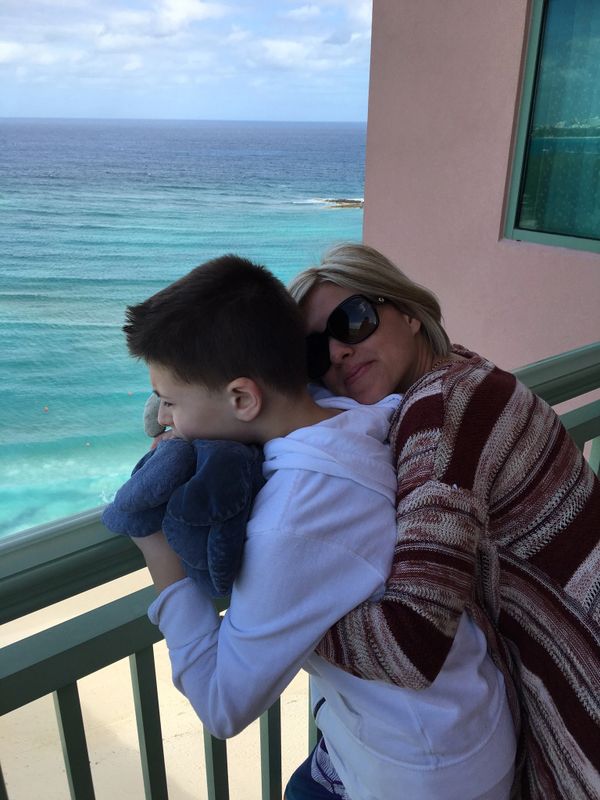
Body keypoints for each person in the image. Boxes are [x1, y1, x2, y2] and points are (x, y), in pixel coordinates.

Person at [123, 253, 517, 800]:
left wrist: (156, 546)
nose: (163, 419)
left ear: (243, 397)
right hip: (453, 722)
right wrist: (193, 415)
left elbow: (222, 705)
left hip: (423, 773)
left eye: (168, 403)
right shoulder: (359, 414)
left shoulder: (291, 524)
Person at [287, 242, 600, 800]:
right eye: (314, 352)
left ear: (407, 311)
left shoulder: (441, 417)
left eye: (353, 321)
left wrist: (272, 631)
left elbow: (412, 643)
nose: (336, 352)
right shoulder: (462, 370)